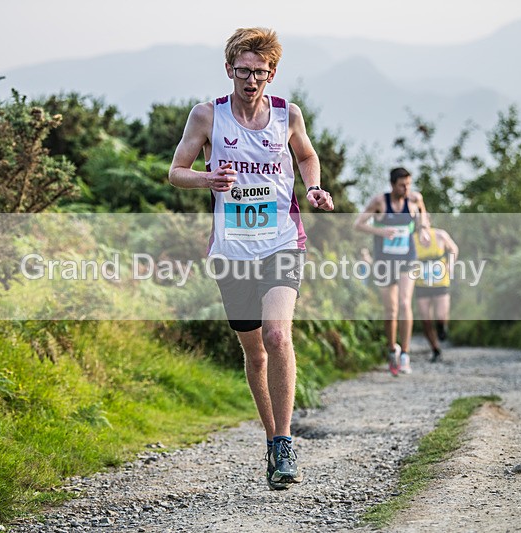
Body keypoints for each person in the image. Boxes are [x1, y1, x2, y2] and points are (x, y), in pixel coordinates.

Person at [168, 27, 334, 490]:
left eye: (260, 73)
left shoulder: (288, 114)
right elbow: (175, 171)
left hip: (282, 240)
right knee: (254, 352)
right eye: (244, 71)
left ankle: (284, 442)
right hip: (231, 248)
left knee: (279, 336)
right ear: (229, 70)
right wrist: (208, 181)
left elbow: (306, 156)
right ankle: (271, 438)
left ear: (272, 74)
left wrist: (314, 187)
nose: (252, 80)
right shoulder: (206, 116)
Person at [354, 167, 428, 376]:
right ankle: (391, 349)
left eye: (409, 184)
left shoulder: (415, 200)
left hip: (408, 258)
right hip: (384, 261)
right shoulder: (379, 202)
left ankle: (405, 354)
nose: (407, 188)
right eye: (402, 185)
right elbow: (358, 224)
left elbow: (422, 218)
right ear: (392, 185)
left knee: (405, 303)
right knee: (391, 311)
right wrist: (381, 231)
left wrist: (423, 232)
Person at [413, 218, 458, 362]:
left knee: (441, 315)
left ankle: (442, 327)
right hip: (421, 283)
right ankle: (435, 349)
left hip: (440, 281)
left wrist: (451, 264)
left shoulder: (440, 235)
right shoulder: (411, 239)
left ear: (429, 220)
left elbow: (453, 249)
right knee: (425, 320)